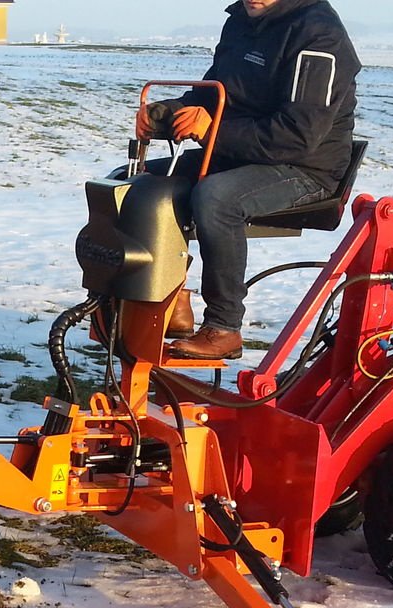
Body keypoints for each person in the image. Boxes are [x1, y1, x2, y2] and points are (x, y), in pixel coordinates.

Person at [137, 0, 361, 359]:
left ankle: (224, 327)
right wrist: (167, 113)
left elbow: (298, 136)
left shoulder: (319, 35)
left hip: (306, 168)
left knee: (217, 198)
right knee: (140, 182)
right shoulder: (241, 22)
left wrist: (213, 131)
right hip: (241, 153)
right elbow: (212, 95)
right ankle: (167, 301)